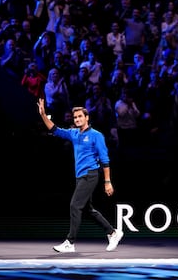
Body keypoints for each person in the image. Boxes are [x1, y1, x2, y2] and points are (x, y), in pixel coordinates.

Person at [37, 98, 123, 253]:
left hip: (91, 174)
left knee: (75, 205)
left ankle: (70, 242)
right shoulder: (74, 133)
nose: (77, 119)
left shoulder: (97, 135)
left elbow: (105, 160)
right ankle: (113, 232)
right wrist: (43, 114)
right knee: (87, 209)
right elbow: (55, 129)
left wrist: (108, 181)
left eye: (80, 117)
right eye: (75, 117)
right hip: (80, 176)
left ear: (87, 118)